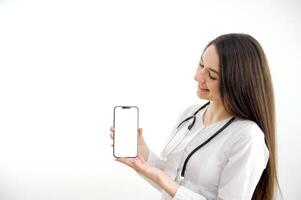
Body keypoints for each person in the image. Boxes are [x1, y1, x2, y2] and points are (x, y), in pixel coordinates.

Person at [110, 33, 279, 200]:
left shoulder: (247, 136)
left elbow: (171, 185)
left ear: (238, 83)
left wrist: (163, 180)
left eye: (212, 75)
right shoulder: (191, 114)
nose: (197, 77)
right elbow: (172, 182)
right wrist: (143, 153)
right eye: (201, 64)